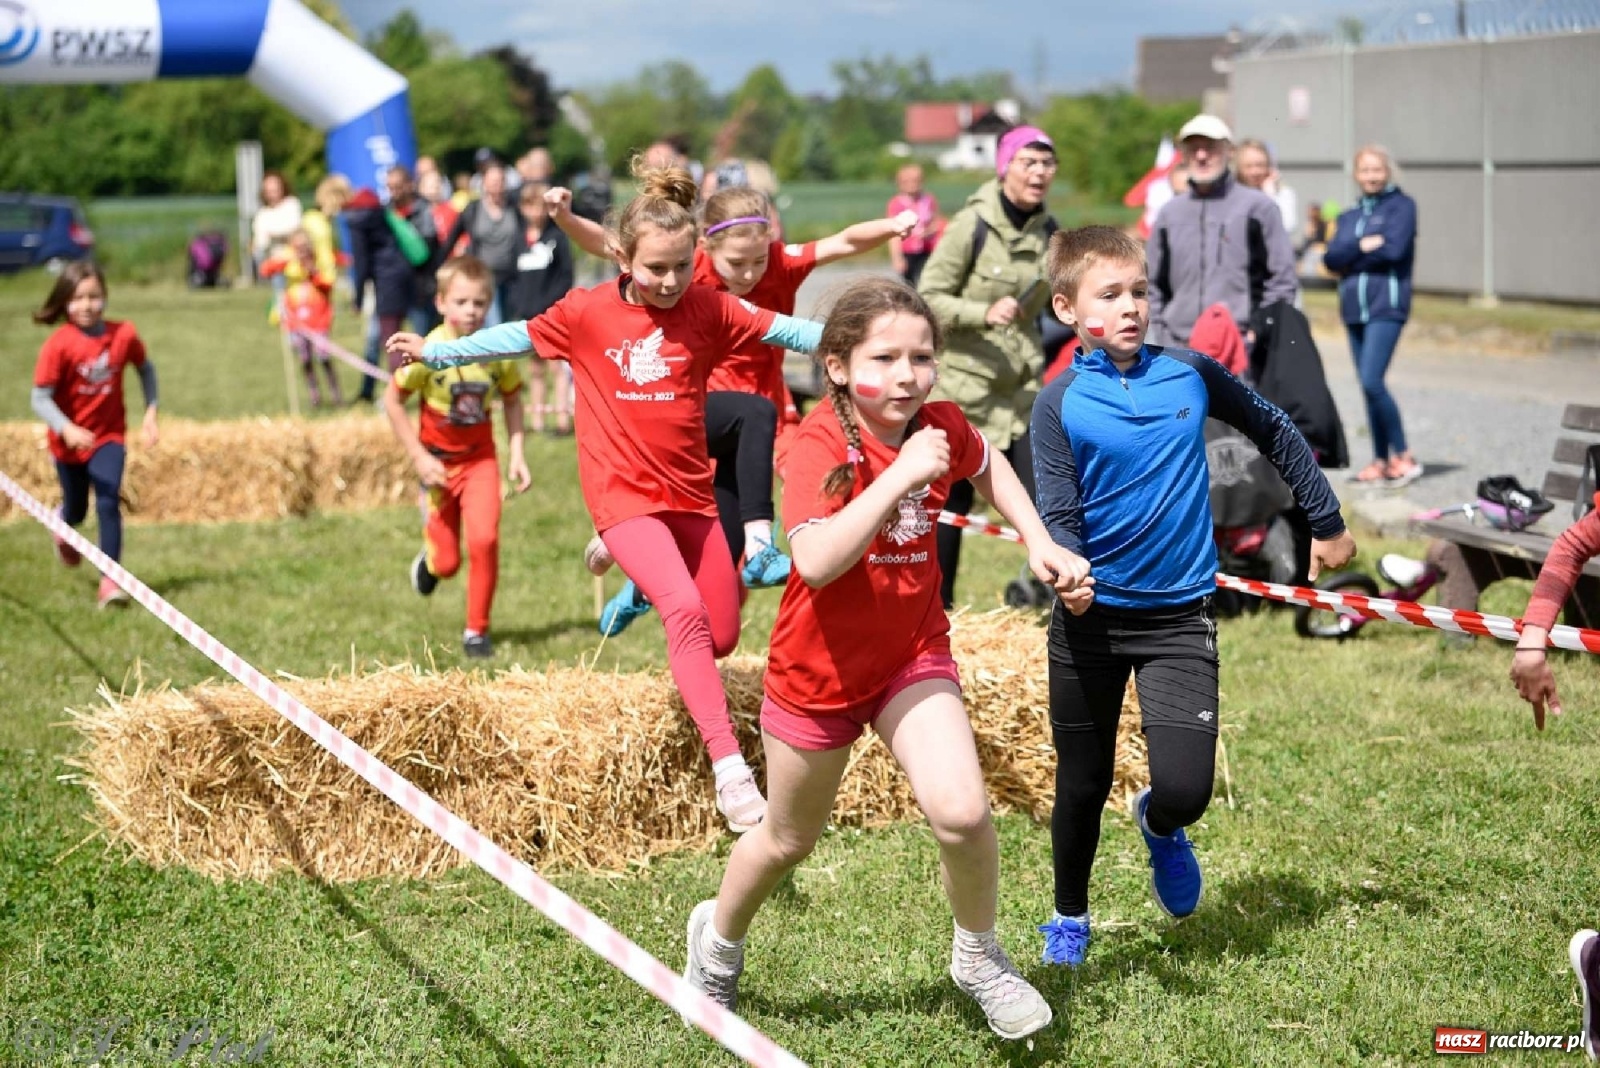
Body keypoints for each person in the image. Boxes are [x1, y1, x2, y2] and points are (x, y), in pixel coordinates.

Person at [681, 278, 1088, 1039]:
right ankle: (718, 942)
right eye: (885, 358)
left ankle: (979, 958)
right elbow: (815, 562)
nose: (908, 376)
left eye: (922, 358)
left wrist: (1038, 540)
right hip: (818, 674)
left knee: (963, 813)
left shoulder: (939, 425)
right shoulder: (816, 444)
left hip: (911, 654)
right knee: (787, 840)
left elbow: (988, 464)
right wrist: (901, 474)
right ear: (837, 367)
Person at [387, 156, 825, 833]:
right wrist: (439, 352)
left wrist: (862, 344)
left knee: (722, 631)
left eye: (681, 268)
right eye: (656, 269)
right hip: (622, 498)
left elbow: (782, 329)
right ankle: (730, 768)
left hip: (691, 497)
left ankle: (639, 575)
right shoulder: (587, 312)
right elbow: (516, 337)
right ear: (621, 255)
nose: (670, 282)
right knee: (685, 611)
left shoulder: (708, 307)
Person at [1029, 225, 1354, 967]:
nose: (1131, 307)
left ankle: (1160, 823)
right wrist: (1067, 573)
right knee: (1082, 783)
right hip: (1090, 622)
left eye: (1140, 292)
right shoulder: (1058, 402)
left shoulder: (1189, 372)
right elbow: (1058, 509)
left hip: (1179, 617)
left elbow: (1274, 427)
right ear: (1068, 308)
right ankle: (1069, 919)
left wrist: (1326, 520)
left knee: (1187, 789)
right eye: (1110, 295)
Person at [548, 181, 919, 633]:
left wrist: (892, 226)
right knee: (696, 500)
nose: (748, 275)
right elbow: (613, 245)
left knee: (735, 541)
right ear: (707, 248)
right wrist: (565, 219)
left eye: (757, 261)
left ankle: (652, 589)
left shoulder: (781, 263)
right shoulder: (689, 269)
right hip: (709, 411)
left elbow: (843, 241)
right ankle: (634, 533)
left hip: (769, 411)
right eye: (736, 264)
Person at [917, 124, 1059, 610]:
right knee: (950, 506)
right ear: (1004, 168)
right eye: (1028, 162)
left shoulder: (1050, 233)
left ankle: (1060, 603)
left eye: (1047, 163)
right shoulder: (970, 226)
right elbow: (927, 298)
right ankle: (939, 613)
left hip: (1021, 396)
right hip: (964, 393)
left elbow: (1058, 301)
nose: (1039, 172)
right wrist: (982, 312)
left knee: (1048, 502)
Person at [384, 256, 530, 659]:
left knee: (485, 539)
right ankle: (431, 563)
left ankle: (476, 631)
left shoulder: (497, 350)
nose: (470, 311)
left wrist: (517, 452)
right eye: (461, 302)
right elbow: (392, 402)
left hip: (481, 461)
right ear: (441, 302)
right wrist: (419, 457)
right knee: (447, 563)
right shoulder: (427, 351)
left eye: (479, 303)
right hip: (438, 467)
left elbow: (513, 400)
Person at [30, 261, 160, 609]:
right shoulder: (58, 345)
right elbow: (39, 398)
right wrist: (66, 428)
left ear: (105, 297)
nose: (86, 305)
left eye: (94, 296)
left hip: (108, 437)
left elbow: (145, 369)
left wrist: (151, 412)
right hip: (68, 445)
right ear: (64, 302)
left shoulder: (123, 335)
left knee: (107, 499)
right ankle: (63, 523)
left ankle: (110, 580)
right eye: (77, 298)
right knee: (77, 510)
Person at [1146, 115, 1299, 350]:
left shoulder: (1259, 208)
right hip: (1179, 347)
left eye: (1210, 147)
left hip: (1241, 349)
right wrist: (1162, 334)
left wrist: (1259, 332)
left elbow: (1283, 279)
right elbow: (1151, 284)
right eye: (1193, 148)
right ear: (1184, 155)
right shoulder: (1169, 214)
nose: (1201, 156)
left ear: (1230, 151)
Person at [1322, 144, 1421, 485]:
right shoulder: (1349, 216)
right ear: (1356, 174)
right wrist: (1362, 246)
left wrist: (1350, 256)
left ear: (1387, 171)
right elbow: (1331, 259)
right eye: (1365, 170)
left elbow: (1395, 251)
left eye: (1377, 169)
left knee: (1372, 380)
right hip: (1354, 309)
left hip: (1385, 306)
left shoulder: (1402, 207)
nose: (1371, 176)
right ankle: (1380, 460)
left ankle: (1404, 456)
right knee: (1367, 387)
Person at [507, 182, 575, 434]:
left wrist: (549, 305)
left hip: (551, 315)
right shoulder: (518, 239)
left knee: (556, 368)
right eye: (530, 205)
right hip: (528, 316)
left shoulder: (558, 237)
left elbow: (565, 276)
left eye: (540, 206)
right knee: (535, 369)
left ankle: (562, 420)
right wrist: (518, 304)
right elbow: (512, 278)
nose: (535, 211)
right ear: (522, 208)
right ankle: (537, 420)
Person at [345, 185, 417, 403]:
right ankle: (374, 390)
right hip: (403, 276)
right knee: (391, 335)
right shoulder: (378, 211)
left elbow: (361, 263)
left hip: (387, 283)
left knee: (392, 340)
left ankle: (396, 395)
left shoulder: (357, 220)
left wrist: (357, 299)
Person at [260, 230, 344, 408]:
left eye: (304, 246)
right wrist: (285, 261)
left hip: (318, 319)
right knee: (305, 359)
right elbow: (266, 269)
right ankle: (314, 395)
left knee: (323, 357)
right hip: (296, 320)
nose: (302, 251)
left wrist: (313, 272)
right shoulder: (289, 262)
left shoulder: (320, 261)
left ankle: (335, 393)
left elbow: (328, 284)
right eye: (297, 247)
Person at [441, 162, 525, 327]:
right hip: (483, 274)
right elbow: (452, 238)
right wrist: (443, 263)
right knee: (494, 321)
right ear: (484, 182)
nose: (497, 186)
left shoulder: (514, 207)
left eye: (500, 181)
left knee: (508, 320)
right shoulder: (473, 209)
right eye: (493, 181)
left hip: (510, 275)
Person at [386, 164, 443, 333]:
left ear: (410, 185)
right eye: (390, 187)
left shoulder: (425, 210)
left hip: (422, 287)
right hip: (394, 286)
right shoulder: (386, 212)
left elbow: (426, 252)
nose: (393, 192)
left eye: (397, 187)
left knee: (424, 333)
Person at [886, 163, 944, 286]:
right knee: (910, 284)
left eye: (916, 181)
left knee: (927, 281)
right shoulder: (896, 203)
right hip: (907, 250)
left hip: (927, 249)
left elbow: (937, 222)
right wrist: (897, 258)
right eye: (907, 181)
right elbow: (893, 234)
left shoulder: (928, 200)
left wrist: (928, 232)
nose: (912, 184)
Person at [1235, 139, 1298, 237]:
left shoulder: (1283, 193)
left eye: (1260, 165)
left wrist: (1269, 195)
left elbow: (1286, 227)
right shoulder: (1232, 195)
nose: (1255, 171)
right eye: (1249, 166)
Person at [251, 170, 303, 286]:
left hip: (292, 257)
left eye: (275, 189)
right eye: (269, 191)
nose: (272, 194)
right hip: (273, 258)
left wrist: (274, 234)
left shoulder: (291, 204)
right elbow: (260, 240)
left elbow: (294, 228)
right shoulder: (262, 213)